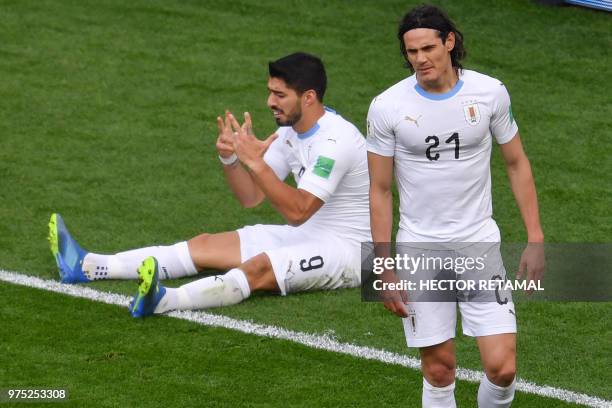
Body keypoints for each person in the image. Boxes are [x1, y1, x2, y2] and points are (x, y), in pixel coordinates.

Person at [49, 52, 370, 318]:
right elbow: (251, 196)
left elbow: (299, 210)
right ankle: (89, 266)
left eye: (280, 95)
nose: (270, 101)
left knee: (258, 269)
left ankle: (164, 301)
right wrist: (232, 159)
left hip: (349, 252)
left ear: (309, 97)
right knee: (204, 245)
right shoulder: (290, 131)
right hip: (307, 234)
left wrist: (256, 163)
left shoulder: (335, 141)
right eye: (270, 91)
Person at [366, 5, 544, 408]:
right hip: (420, 250)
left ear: (449, 42)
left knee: (502, 368)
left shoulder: (490, 93)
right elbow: (379, 189)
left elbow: (517, 163)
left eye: (428, 48)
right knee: (440, 369)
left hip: (479, 245)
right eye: (411, 52)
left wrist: (535, 237)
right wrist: (383, 267)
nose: (420, 59)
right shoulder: (387, 107)